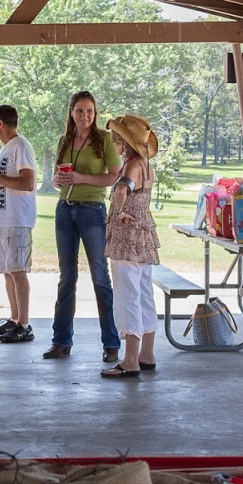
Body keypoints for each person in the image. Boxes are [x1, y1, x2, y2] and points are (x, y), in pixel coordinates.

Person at [47, 90, 123, 362]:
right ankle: (61, 341)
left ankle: (111, 343)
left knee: (100, 278)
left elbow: (113, 177)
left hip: (92, 211)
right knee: (67, 278)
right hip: (64, 211)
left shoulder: (104, 140)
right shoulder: (64, 140)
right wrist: (58, 180)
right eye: (80, 110)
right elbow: (58, 175)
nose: (85, 116)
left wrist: (81, 177)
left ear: (95, 113)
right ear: (71, 112)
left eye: (89, 111)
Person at [102, 114, 161, 379]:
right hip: (144, 235)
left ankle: (130, 360)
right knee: (144, 294)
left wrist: (119, 211)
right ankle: (147, 354)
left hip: (127, 238)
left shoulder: (131, 166)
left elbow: (122, 189)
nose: (113, 144)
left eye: (116, 140)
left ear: (124, 143)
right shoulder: (147, 165)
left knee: (128, 298)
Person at [0, 105, 38, 343]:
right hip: (4, 220)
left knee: (18, 271)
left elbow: (28, 183)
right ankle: (15, 319)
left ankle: (25, 324)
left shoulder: (21, 146)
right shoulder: (6, 149)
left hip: (18, 219)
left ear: (0, 124)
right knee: (8, 271)